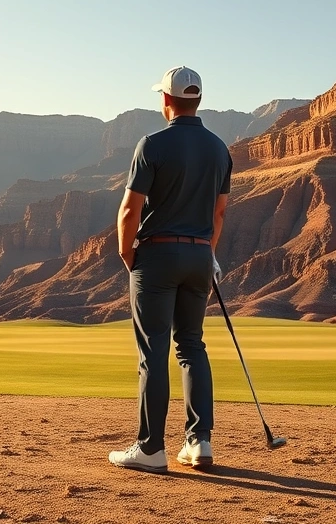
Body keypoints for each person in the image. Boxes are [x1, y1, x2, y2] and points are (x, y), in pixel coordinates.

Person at [109, 66, 232, 473]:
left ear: (166, 101)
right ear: (197, 100)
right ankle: (199, 443)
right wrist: (207, 254)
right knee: (192, 346)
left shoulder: (152, 144)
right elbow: (219, 212)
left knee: (153, 351)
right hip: (200, 257)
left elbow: (130, 208)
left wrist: (127, 252)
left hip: (157, 257)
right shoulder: (219, 148)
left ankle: (150, 448)